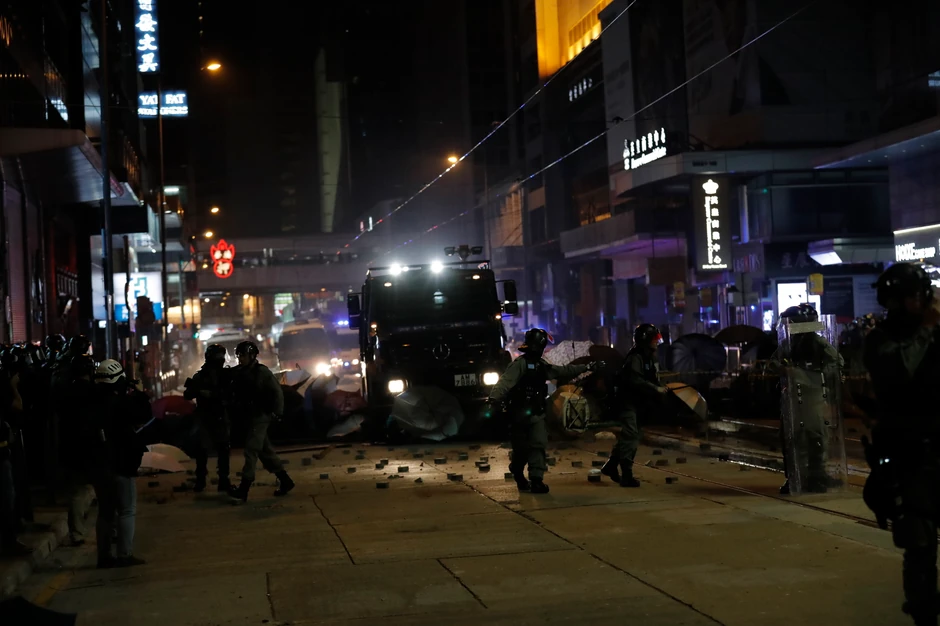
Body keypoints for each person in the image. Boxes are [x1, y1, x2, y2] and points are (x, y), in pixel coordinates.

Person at [864, 262, 940, 626]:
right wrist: (927, 330)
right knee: (919, 543)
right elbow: (900, 371)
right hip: (909, 455)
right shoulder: (881, 340)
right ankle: (924, 614)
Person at [485, 328, 602, 494]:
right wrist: (493, 400)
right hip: (518, 415)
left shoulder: (542, 366)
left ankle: (536, 480)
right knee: (522, 451)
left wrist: (587, 367)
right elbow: (504, 382)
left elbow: (563, 371)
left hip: (536, 413)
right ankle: (518, 472)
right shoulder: (520, 365)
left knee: (538, 444)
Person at [774, 303, 843, 495]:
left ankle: (816, 476)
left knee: (815, 437)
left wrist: (807, 375)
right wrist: (783, 369)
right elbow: (774, 362)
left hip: (812, 395)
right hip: (792, 396)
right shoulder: (789, 343)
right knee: (793, 438)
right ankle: (797, 477)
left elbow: (836, 363)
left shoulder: (816, 342)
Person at [91, 359, 148, 569]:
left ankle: (104, 556)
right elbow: (144, 415)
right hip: (121, 465)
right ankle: (124, 554)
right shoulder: (121, 403)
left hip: (99, 465)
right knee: (126, 510)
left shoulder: (91, 403)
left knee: (105, 512)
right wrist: (140, 393)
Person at [601, 323, 668, 488]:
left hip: (638, 403)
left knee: (631, 436)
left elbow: (652, 377)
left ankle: (611, 466)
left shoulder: (648, 357)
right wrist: (656, 389)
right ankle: (627, 475)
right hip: (627, 402)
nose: (656, 343)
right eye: (654, 340)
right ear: (645, 340)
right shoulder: (636, 357)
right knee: (631, 437)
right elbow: (635, 380)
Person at [227, 341, 294, 503]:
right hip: (249, 417)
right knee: (266, 452)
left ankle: (243, 489)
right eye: (239, 356)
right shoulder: (239, 372)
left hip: (261, 416)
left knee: (251, 451)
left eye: (243, 356)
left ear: (251, 356)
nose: (240, 359)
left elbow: (277, 392)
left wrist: (278, 412)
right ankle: (285, 481)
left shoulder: (261, 372)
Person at [183, 344, 232, 493]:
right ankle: (201, 480)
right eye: (218, 356)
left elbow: (230, 394)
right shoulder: (201, 376)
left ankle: (222, 480)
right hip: (205, 415)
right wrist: (199, 391)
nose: (220, 359)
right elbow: (187, 394)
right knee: (202, 449)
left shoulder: (225, 375)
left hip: (219, 414)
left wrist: (213, 395)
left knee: (222, 448)